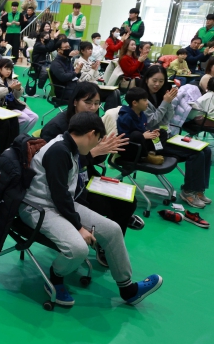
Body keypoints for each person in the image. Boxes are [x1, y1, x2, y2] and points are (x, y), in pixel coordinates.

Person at [21, 111, 163, 307]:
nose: (97, 144)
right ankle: (55, 276)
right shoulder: (59, 151)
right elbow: (59, 196)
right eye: (98, 139)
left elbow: (65, 195)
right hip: (39, 208)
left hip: (60, 204)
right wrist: (79, 227)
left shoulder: (70, 146)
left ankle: (128, 289)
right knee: (78, 248)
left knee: (113, 230)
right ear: (91, 134)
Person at [41, 82, 143, 242]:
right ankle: (108, 233)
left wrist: (105, 149)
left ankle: (109, 238)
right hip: (67, 185)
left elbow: (96, 159)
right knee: (112, 207)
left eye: (97, 103)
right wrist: (93, 152)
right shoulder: (56, 127)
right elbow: (54, 169)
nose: (93, 107)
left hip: (86, 176)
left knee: (129, 201)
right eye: (88, 102)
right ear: (75, 101)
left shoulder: (92, 122)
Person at [138, 65, 211, 209]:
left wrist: (169, 102)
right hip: (152, 141)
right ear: (146, 79)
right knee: (196, 154)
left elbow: (167, 119)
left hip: (166, 135)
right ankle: (188, 191)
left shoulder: (161, 94)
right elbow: (152, 122)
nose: (157, 84)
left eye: (161, 81)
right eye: (154, 80)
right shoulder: (141, 98)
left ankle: (198, 189)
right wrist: (165, 103)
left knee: (206, 150)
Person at [116, 87, 165, 165]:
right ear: (135, 103)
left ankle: (152, 153)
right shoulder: (125, 117)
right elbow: (123, 138)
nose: (147, 103)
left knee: (162, 132)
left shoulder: (142, 114)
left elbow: (142, 130)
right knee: (136, 135)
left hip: (141, 144)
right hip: (129, 148)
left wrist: (152, 133)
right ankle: (146, 157)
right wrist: (143, 136)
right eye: (145, 100)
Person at [0, 58, 38, 134]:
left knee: (34, 117)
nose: (9, 71)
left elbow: (17, 96)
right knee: (25, 118)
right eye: (6, 69)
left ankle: (17, 136)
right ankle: (14, 137)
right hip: (3, 105)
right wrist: (9, 88)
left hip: (14, 104)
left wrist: (18, 89)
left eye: (10, 69)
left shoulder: (11, 79)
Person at [75, 40, 121, 109]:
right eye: (88, 49)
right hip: (86, 88)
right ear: (82, 51)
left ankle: (117, 112)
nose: (90, 51)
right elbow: (85, 80)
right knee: (112, 93)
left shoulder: (90, 61)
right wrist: (93, 70)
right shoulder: (79, 63)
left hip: (94, 86)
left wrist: (96, 69)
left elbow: (96, 77)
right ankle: (108, 113)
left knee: (117, 91)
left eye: (91, 49)